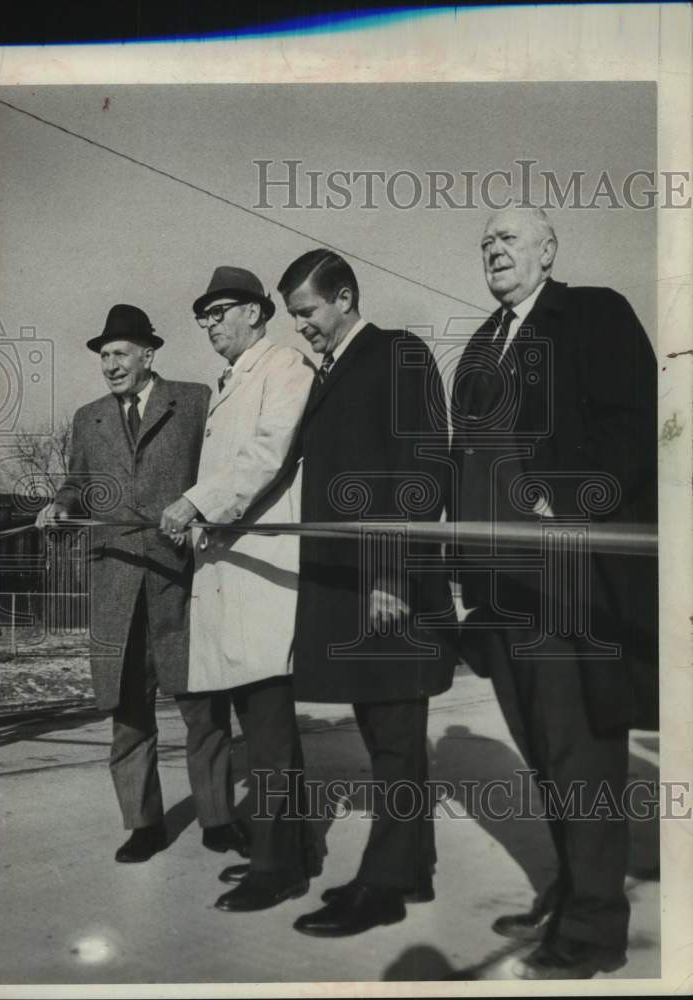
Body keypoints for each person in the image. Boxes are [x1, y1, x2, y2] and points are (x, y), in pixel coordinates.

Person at [451, 207, 657, 979]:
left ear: (547, 251)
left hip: (565, 578)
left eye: (507, 239)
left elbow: (632, 425)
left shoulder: (593, 314)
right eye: (483, 243)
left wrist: (563, 497)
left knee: (581, 756)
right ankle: (572, 889)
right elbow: (461, 464)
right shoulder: (479, 342)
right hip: (497, 585)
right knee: (542, 753)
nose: (493, 250)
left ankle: (595, 929)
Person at [276, 249, 453, 937]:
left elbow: (420, 468)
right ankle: (410, 871)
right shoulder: (333, 369)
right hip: (353, 587)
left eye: (308, 312)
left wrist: (390, 574)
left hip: (387, 585)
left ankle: (383, 886)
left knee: (396, 736)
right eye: (294, 317)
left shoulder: (396, 353)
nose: (303, 328)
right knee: (387, 735)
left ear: (344, 297)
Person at [36, 304, 249, 864]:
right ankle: (143, 823)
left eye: (120, 354)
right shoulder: (90, 418)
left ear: (148, 354)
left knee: (203, 707)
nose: (110, 365)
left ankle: (218, 818)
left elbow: (220, 473)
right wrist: (59, 506)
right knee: (128, 712)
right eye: (104, 356)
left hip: (182, 581)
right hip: (114, 585)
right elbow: (78, 484)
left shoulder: (195, 399)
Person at [160, 266, 316, 912]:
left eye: (221, 310)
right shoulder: (233, 381)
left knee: (270, 734)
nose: (209, 323)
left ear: (256, 312)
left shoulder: (284, 366)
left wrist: (194, 503)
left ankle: (277, 869)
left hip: (263, 576)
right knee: (264, 727)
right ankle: (293, 852)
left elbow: (265, 455)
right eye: (203, 314)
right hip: (234, 573)